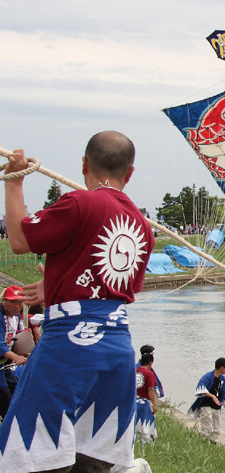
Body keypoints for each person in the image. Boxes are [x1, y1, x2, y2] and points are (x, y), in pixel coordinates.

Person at [0, 131, 155, 473]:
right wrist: (56, 284)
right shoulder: (143, 227)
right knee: (95, 452)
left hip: (71, 344)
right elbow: (116, 288)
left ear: (84, 164)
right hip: (116, 347)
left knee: (33, 446)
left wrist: (14, 181)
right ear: (129, 174)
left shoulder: (80, 203)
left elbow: (20, 239)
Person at [188, 357, 225, 443]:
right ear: (221, 368)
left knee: (217, 429)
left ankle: (213, 443)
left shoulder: (222, 379)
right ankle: (204, 443)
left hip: (216, 406)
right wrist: (212, 396)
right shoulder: (207, 377)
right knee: (207, 426)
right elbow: (201, 389)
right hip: (205, 404)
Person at [0, 285, 28, 419]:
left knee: (18, 389)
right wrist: (15, 357)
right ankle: (9, 427)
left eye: (20, 302)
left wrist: (26, 352)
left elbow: (17, 338)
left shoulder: (15, 317)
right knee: (4, 395)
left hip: (4, 366)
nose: (16, 306)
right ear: (3, 301)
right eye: (12, 302)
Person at [135, 353, 157, 443]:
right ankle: (146, 441)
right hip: (144, 403)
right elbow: (150, 390)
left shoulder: (134, 371)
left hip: (133, 402)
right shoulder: (149, 374)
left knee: (135, 424)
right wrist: (154, 404)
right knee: (146, 424)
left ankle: (135, 440)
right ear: (150, 363)